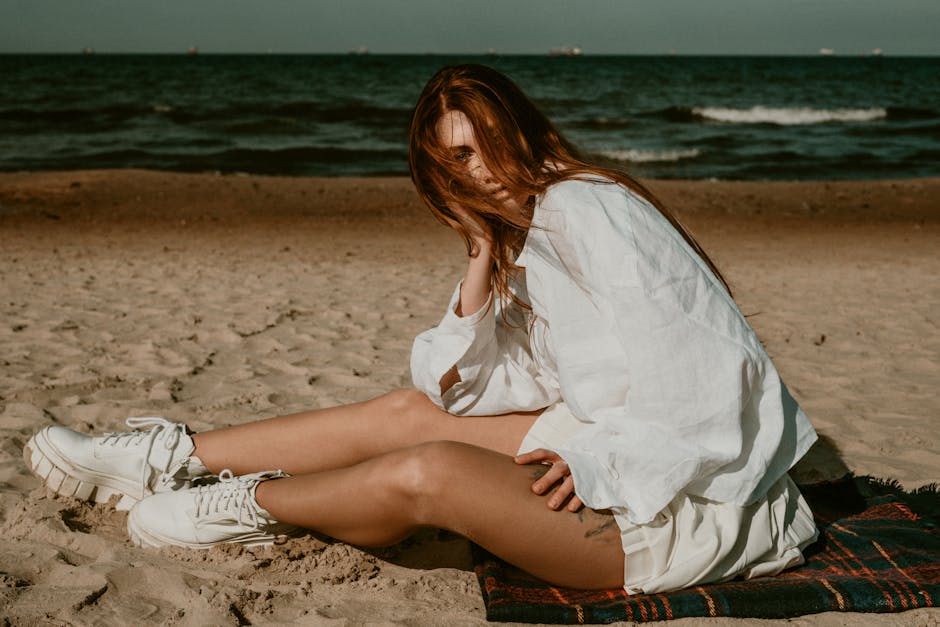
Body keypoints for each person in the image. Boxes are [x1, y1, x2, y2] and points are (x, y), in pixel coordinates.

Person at [22, 64, 818, 594]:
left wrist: (607, 466)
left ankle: (247, 502)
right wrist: (480, 257)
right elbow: (463, 388)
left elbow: (708, 371)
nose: (474, 173)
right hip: (610, 441)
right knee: (412, 416)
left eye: (479, 149)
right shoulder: (536, 234)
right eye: (452, 166)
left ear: (518, 127)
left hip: (688, 505)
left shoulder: (588, 207)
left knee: (428, 469)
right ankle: (166, 456)